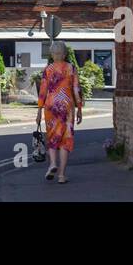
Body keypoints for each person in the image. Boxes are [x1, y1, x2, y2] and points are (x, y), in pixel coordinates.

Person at [37, 41, 83, 183]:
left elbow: (42, 91)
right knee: (65, 139)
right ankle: (62, 175)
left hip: (50, 106)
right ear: (64, 54)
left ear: (52, 54)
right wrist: (79, 108)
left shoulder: (48, 69)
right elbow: (76, 90)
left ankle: (52, 164)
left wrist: (39, 111)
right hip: (66, 106)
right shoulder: (71, 68)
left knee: (52, 137)